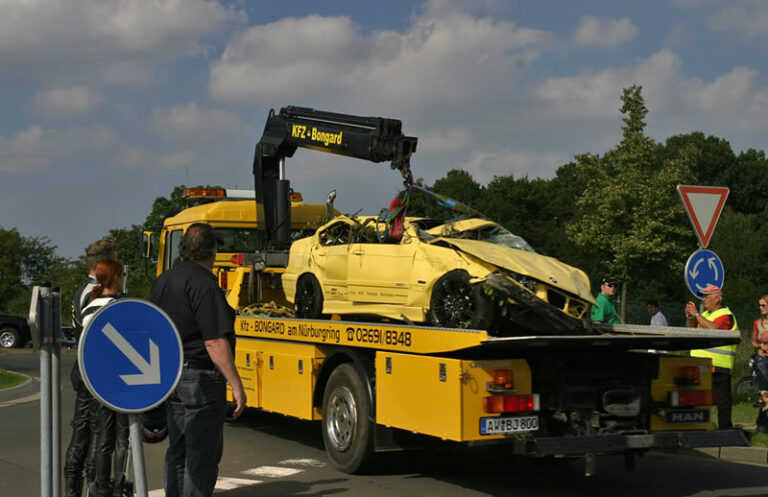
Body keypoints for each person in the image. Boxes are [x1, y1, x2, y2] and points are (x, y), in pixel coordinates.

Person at [150, 223, 247, 497]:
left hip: (171, 375)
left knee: (178, 451)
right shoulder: (205, 285)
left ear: (183, 249)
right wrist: (236, 385)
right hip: (201, 379)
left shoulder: (163, 282)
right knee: (201, 456)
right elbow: (215, 342)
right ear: (214, 250)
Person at [64, 239, 118, 497]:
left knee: (84, 432)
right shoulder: (95, 292)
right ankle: (91, 487)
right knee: (94, 434)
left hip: (83, 367)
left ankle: (79, 487)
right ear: (104, 262)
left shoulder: (83, 290)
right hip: (93, 370)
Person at [81, 260, 131, 497]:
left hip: (99, 380)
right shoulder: (120, 306)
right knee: (123, 436)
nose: (124, 279)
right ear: (114, 277)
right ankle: (119, 483)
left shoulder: (89, 306)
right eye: (122, 275)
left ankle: (101, 485)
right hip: (122, 380)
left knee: (103, 435)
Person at [685, 284, 738, 429]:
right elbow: (692, 330)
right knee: (698, 398)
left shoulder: (725, 315)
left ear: (717, 298)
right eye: (702, 296)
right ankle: (698, 426)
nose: (703, 299)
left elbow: (714, 330)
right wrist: (690, 316)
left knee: (722, 402)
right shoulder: (707, 315)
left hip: (719, 366)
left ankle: (725, 430)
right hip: (703, 364)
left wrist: (696, 314)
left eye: (706, 296)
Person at [752, 295, 768, 433]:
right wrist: (760, 346)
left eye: (763, 305)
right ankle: (762, 424)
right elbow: (753, 342)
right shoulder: (758, 322)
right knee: (764, 392)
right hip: (762, 359)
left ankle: (763, 423)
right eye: (759, 305)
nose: (760, 308)